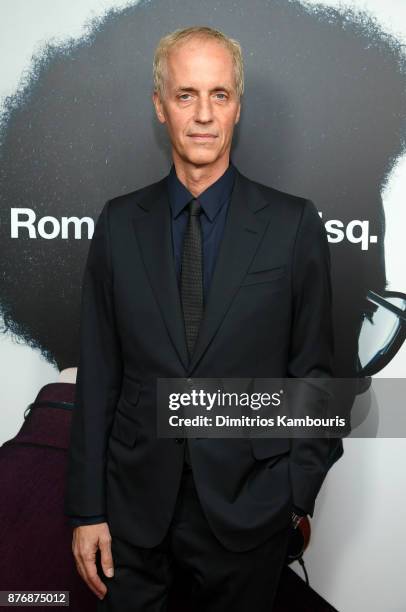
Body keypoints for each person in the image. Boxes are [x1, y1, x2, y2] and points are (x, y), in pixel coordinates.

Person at [65, 25, 342, 611]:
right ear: (160, 106)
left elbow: (318, 377)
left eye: (219, 95)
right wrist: (88, 509)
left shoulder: (292, 225)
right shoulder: (119, 225)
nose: (203, 115)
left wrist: (296, 495)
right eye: (186, 94)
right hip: (133, 520)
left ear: (237, 107)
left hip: (249, 516)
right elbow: (98, 379)